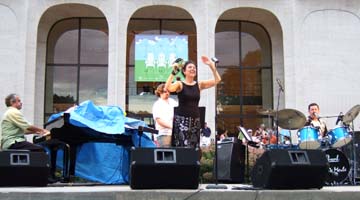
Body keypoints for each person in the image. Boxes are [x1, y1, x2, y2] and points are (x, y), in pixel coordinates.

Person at [165, 55, 221, 148]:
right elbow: (168, 88)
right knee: (182, 149)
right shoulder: (180, 84)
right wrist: (173, 72)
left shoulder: (199, 84)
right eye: (190, 67)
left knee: (194, 150)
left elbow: (217, 80)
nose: (193, 69)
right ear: (184, 71)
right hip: (182, 121)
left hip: (195, 121)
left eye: (194, 67)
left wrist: (211, 65)